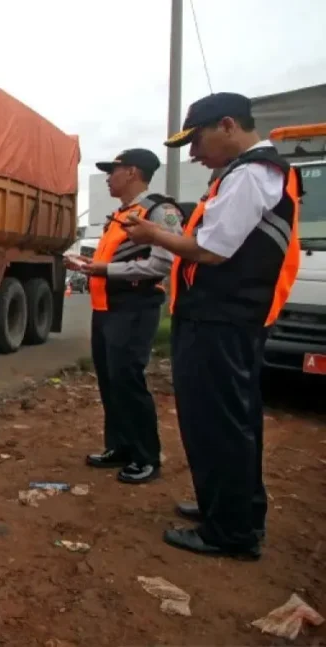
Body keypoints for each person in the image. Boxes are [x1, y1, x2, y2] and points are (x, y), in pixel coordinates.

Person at [123, 92, 303, 560]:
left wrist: (152, 235)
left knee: (218, 424)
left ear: (227, 126)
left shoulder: (250, 175)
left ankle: (230, 531)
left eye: (197, 140)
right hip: (222, 317)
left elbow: (211, 251)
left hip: (222, 319)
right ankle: (230, 510)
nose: (193, 154)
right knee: (228, 421)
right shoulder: (247, 175)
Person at [72, 149, 183, 484]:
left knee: (128, 380)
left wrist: (106, 269)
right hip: (106, 308)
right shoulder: (120, 214)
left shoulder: (159, 211)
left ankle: (146, 456)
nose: (108, 177)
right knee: (110, 379)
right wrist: (89, 266)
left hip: (135, 306)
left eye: (113, 171)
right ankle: (119, 446)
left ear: (133, 172)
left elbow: (162, 264)